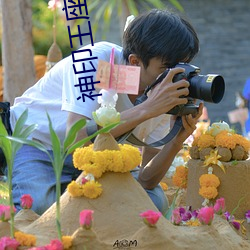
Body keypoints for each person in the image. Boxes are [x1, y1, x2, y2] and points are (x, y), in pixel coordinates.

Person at [6, 9, 203, 215]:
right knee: (39, 207)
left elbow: (147, 180)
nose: (176, 75)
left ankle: (70, 198)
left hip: (96, 157)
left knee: (152, 202)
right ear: (135, 62)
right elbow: (76, 139)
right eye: (167, 67)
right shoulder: (94, 59)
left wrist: (176, 140)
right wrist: (147, 108)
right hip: (37, 143)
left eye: (182, 65)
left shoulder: (164, 90)